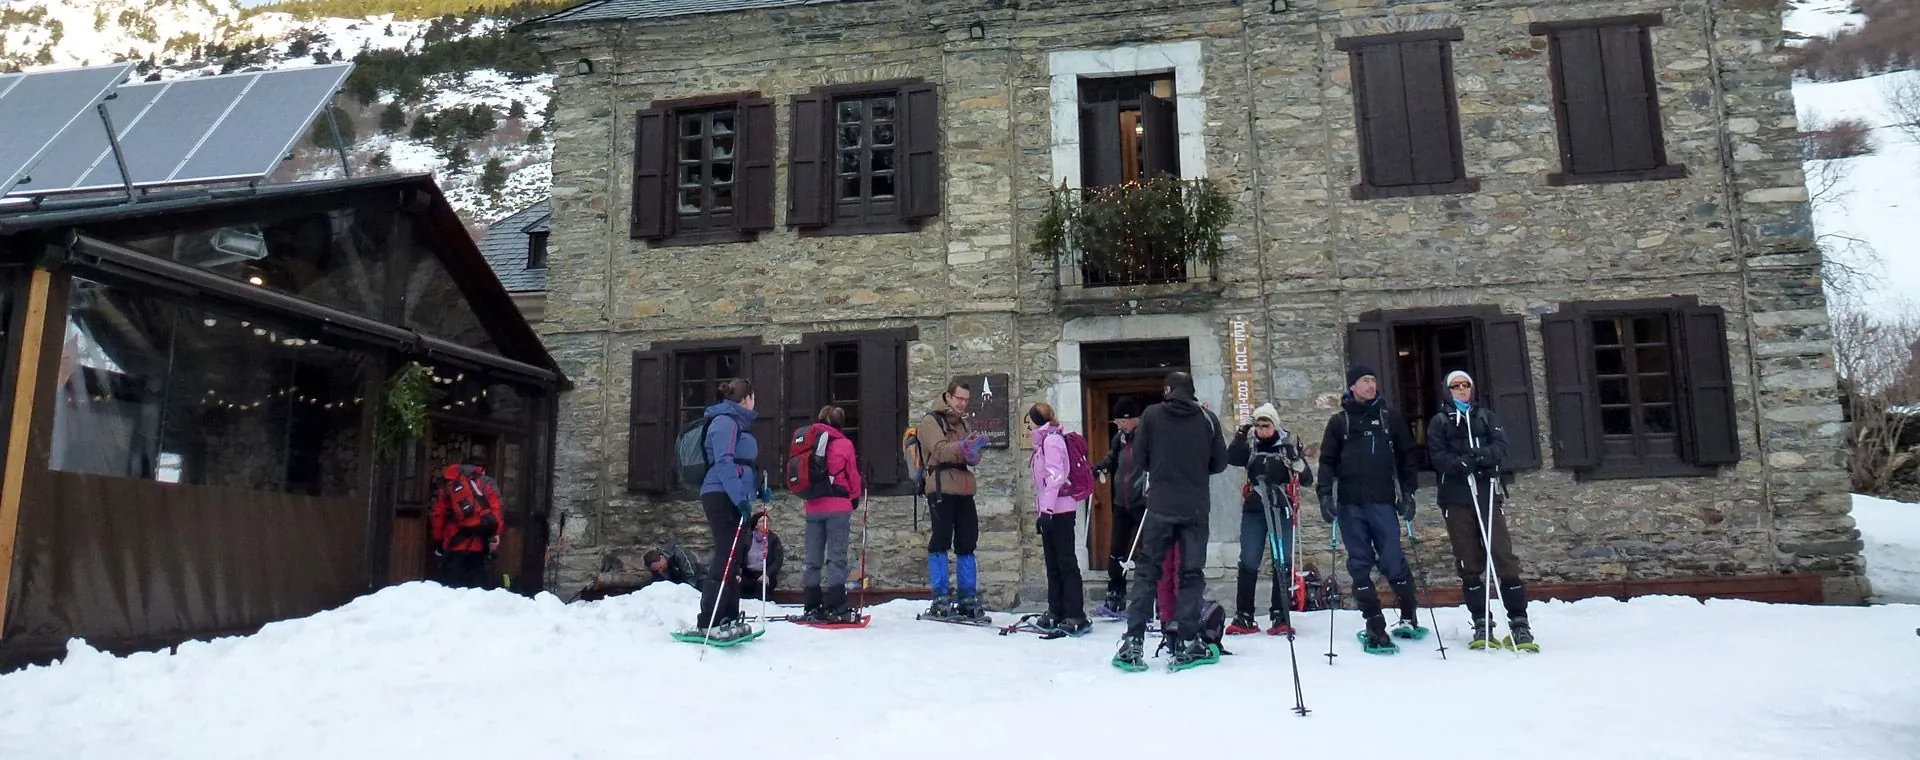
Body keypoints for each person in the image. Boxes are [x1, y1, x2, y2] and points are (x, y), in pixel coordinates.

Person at [1112, 371, 1228, 672]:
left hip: (1160, 505)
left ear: (1167, 389)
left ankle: (1134, 641)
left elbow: (1140, 459)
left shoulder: (1151, 415)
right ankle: (1188, 640)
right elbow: (1219, 463)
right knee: (1190, 574)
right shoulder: (1207, 419)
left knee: (1148, 572)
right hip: (1194, 507)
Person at [1425, 370, 1536, 651]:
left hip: (1487, 493)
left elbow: (1500, 445)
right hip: (1456, 497)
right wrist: (1459, 463)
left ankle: (1519, 623)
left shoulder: (1485, 417)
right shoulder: (1440, 421)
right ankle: (1481, 621)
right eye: (1456, 386)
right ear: (1447, 390)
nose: (1462, 390)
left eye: (1466, 385)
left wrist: (1483, 457)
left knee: (1502, 555)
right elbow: (1437, 455)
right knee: (1468, 560)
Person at [1316, 365, 1424, 654]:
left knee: (1391, 560)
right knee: (1360, 563)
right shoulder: (1340, 423)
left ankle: (1408, 611)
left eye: (1374, 380)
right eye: (1365, 380)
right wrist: (1325, 495)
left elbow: (1406, 456)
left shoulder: (1390, 419)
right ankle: (1374, 623)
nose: (1371, 385)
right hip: (1350, 504)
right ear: (1352, 386)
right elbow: (1327, 462)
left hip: (1383, 501)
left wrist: (1409, 492)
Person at [695, 378, 773, 642]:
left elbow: (742, 465)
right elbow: (724, 464)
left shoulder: (738, 423)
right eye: (754, 396)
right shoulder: (724, 421)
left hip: (734, 495)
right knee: (726, 554)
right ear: (747, 398)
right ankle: (710, 620)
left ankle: (728, 615)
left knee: (735, 555)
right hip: (719, 494)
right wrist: (740, 497)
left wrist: (756, 492)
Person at [1226, 403, 1313, 636]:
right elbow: (1231, 457)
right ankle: (1244, 615)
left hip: (1280, 508)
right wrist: (1241, 433)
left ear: (1275, 425)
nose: (1262, 429)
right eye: (1259, 425)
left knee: (1282, 559)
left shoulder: (1287, 447)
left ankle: (1280, 614)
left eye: (1267, 425)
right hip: (1255, 509)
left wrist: (1298, 465)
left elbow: (1306, 479)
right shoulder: (1251, 446)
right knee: (1249, 560)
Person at [920, 380, 990, 621]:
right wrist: (963, 446)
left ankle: (967, 596)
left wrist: (973, 452)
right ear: (948, 397)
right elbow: (939, 451)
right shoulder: (931, 421)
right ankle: (940, 596)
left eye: (966, 400)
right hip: (940, 487)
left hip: (963, 487)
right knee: (940, 540)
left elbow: (969, 457)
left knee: (967, 541)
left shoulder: (963, 423)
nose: (962, 404)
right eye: (959, 399)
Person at [1028, 402, 1089, 635]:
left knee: (1065, 562)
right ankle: (1057, 610)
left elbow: (1055, 477)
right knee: (1052, 563)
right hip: (1052, 509)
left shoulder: (1052, 441)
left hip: (1061, 511)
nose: (1028, 425)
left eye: (1030, 421)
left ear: (1036, 421)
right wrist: (1043, 511)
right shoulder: (1043, 441)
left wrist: (1048, 511)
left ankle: (1075, 612)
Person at [800, 406, 864, 624]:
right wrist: (855, 497)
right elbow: (852, 475)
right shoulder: (844, 444)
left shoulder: (809, 442)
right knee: (836, 558)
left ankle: (811, 605)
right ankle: (836, 606)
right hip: (838, 507)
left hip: (813, 506)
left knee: (812, 560)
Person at [1092, 397, 1146, 618]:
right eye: (1117, 422)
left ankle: (1146, 599)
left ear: (1134, 419)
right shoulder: (1119, 439)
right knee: (1117, 550)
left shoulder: (1146, 437)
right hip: (1121, 502)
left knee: (1145, 551)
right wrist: (1100, 468)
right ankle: (1115, 594)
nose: (1120, 426)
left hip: (1143, 501)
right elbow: (1112, 459)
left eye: (1122, 421)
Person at [431, 456, 504, 589]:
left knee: (452, 590)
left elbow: (439, 515)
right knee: (476, 591)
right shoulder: (486, 483)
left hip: (454, 544)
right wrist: (495, 533)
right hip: (479, 545)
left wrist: (438, 540)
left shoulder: (452, 481)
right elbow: (496, 510)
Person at [738, 510, 785, 600]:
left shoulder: (773, 539)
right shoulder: (748, 538)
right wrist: (738, 572)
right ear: (756, 525)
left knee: (762, 587)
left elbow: (778, 559)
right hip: (747, 574)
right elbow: (739, 555)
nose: (765, 523)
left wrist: (767, 573)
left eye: (767, 521)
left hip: (764, 574)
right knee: (737, 585)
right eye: (762, 521)